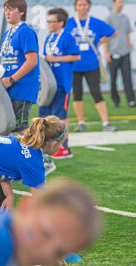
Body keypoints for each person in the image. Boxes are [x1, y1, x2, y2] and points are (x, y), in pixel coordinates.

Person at [0, 116, 66, 212]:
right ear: (54, 144)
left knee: (1, 198)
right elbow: (40, 201)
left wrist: (9, 195)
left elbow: (2, 167)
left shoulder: (24, 139)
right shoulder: (34, 163)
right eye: (61, 143)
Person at [65, 0, 117, 132]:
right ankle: (81, 122)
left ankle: (106, 123)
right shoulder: (69, 23)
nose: (82, 7)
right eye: (80, 5)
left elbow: (113, 33)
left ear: (89, 6)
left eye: (85, 5)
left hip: (92, 64)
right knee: (77, 94)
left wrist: (100, 42)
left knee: (97, 93)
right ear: (76, 7)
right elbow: (63, 39)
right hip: (74, 65)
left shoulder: (95, 22)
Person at [39, 8, 80, 160]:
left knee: (59, 117)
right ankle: (45, 145)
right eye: (48, 21)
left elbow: (76, 56)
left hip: (62, 84)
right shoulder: (49, 37)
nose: (49, 23)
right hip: (49, 84)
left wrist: (56, 59)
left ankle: (64, 147)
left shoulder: (67, 37)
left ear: (60, 23)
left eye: (52, 21)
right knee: (44, 116)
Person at [0, 0, 39, 133]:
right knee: (7, 128)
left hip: (22, 87)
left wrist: (12, 79)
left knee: (20, 127)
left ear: (22, 12)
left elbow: (32, 61)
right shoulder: (7, 34)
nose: (7, 12)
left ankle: (33, 153)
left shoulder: (26, 31)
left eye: (11, 9)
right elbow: (5, 62)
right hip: (9, 87)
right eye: (6, 10)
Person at [104, 0, 136, 109]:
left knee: (127, 78)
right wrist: (106, 52)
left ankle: (131, 100)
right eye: (119, 2)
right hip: (113, 53)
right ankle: (115, 100)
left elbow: (126, 34)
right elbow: (105, 37)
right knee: (113, 79)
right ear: (114, 3)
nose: (121, 4)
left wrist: (128, 47)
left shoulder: (125, 18)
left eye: (122, 2)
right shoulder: (108, 18)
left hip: (125, 53)